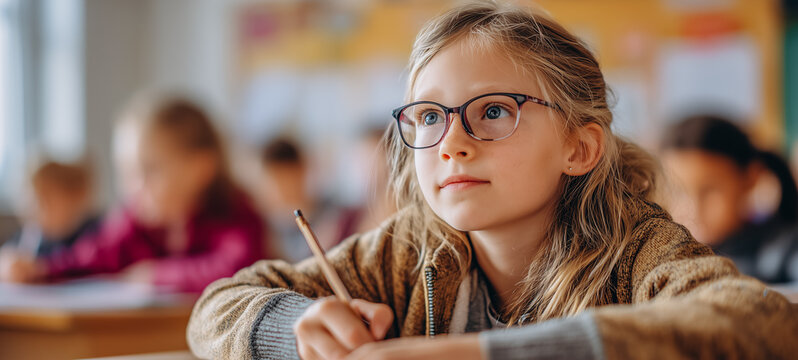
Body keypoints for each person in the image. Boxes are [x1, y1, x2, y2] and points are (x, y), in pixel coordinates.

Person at [187, 2, 797, 359]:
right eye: (429, 117)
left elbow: (760, 323)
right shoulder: (409, 249)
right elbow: (213, 309)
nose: (451, 141)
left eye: (494, 112)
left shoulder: (635, 246)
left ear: (579, 147)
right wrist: (293, 329)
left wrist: (475, 355)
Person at [0, 96, 265, 293]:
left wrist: (154, 275)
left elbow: (241, 270)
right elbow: (95, 255)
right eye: (127, 173)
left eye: (149, 171)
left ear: (201, 167)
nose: (133, 187)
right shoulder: (134, 219)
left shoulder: (236, 213)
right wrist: (39, 270)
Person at [661, 115, 798, 283]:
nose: (693, 209)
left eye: (709, 190)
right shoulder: (661, 255)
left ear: (751, 178)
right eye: (678, 192)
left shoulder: (786, 250)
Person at [0, 160, 100, 280]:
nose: (35, 210)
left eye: (47, 201)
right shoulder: (31, 236)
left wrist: (39, 268)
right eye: (33, 201)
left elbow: (88, 262)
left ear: (76, 198)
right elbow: (6, 255)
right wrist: (9, 265)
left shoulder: (94, 232)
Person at [259, 137, 353, 262]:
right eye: (275, 181)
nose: (281, 188)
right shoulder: (267, 228)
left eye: (287, 178)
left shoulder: (334, 216)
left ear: (303, 169)